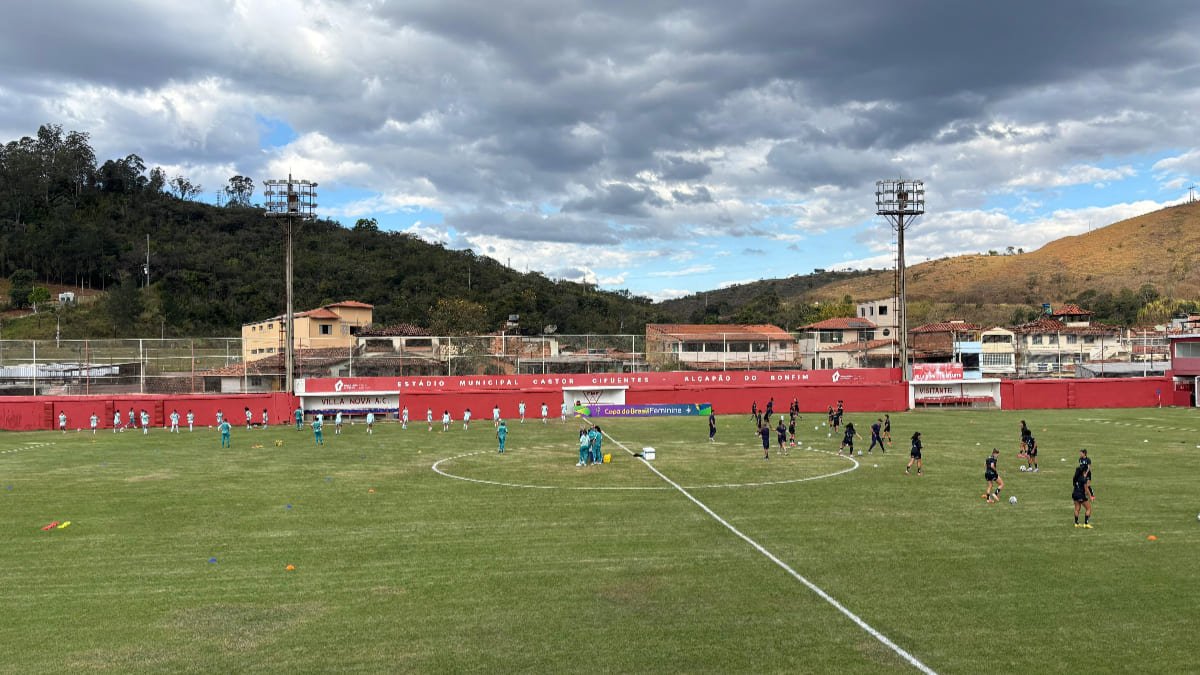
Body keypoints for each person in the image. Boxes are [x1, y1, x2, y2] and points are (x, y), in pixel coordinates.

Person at [1073, 450, 1094, 528]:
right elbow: (1086, 489)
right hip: (1081, 495)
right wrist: (1090, 496)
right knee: (1088, 508)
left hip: (1074, 494)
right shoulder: (1083, 479)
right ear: (1083, 472)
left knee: (1077, 508)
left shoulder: (1075, 478)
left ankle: (1076, 523)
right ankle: (1086, 523)